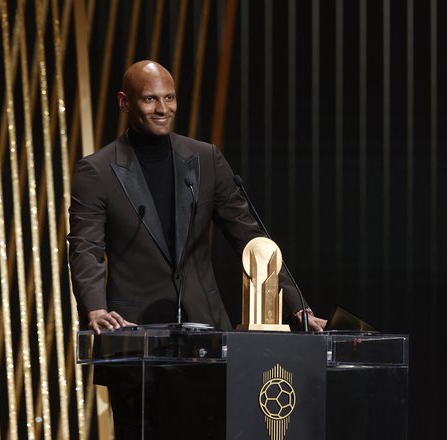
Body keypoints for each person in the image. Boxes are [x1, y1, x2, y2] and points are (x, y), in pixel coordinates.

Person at [67, 60, 326, 438]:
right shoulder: (97, 171)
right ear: (125, 102)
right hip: (136, 340)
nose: (163, 108)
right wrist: (96, 308)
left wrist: (294, 305)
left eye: (169, 98)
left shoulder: (205, 159)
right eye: (150, 99)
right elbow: (85, 246)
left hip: (207, 339)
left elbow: (251, 237)